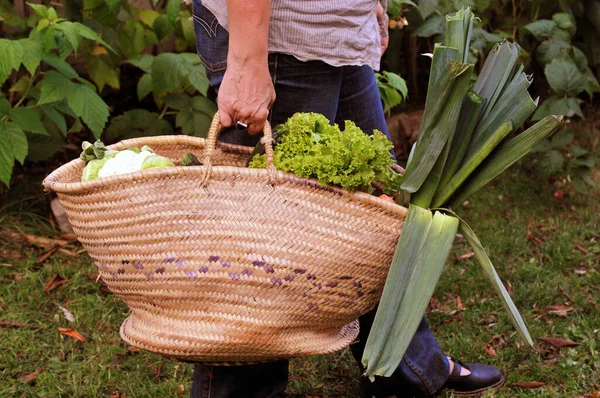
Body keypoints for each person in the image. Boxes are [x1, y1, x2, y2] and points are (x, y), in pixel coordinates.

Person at [190, 1, 505, 396]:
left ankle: (404, 371)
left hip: (330, 31)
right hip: (277, 39)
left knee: (379, 221)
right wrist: (247, 60)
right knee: (261, 256)